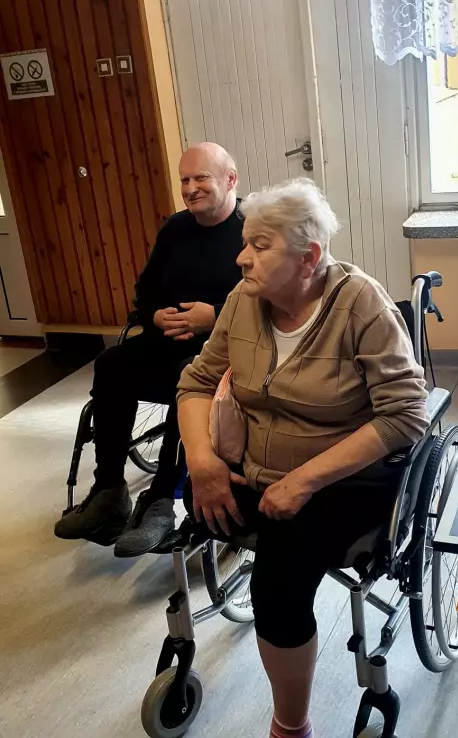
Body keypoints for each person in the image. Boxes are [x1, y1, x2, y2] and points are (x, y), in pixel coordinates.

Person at [176, 178, 429, 738]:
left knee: (277, 586)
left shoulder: (361, 305)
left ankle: (290, 727)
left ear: (308, 257)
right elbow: (196, 382)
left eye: (259, 245)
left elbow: (406, 414)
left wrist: (304, 482)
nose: (241, 258)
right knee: (194, 510)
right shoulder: (243, 301)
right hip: (254, 471)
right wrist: (202, 463)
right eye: (245, 242)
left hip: (345, 482)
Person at [54, 143, 244, 557]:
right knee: (111, 364)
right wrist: (155, 314)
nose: (190, 188)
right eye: (184, 180)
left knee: (187, 377)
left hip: (223, 355)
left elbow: (266, 299)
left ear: (230, 180)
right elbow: (147, 288)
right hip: (167, 340)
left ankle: (160, 500)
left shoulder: (250, 230)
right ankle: (109, 492)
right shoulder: (175, 228)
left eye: (201, 178)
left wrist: (214, 316)